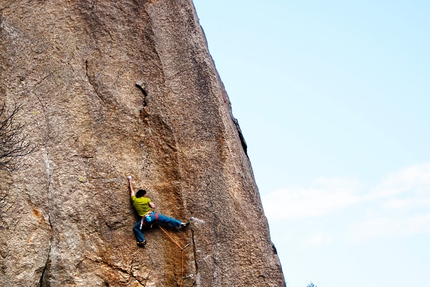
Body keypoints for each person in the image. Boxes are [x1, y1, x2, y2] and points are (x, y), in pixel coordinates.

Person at [128, 176, 189, 247]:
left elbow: (131, 191)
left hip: (146, 220)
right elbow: (153, 206)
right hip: (154, 216)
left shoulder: (134, 200)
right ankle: (181, 223)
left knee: (136, 228)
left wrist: (130, 181)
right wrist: (151, 205)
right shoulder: (146, 199)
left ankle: (142, 240)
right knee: (167, 219)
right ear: (143, 195)